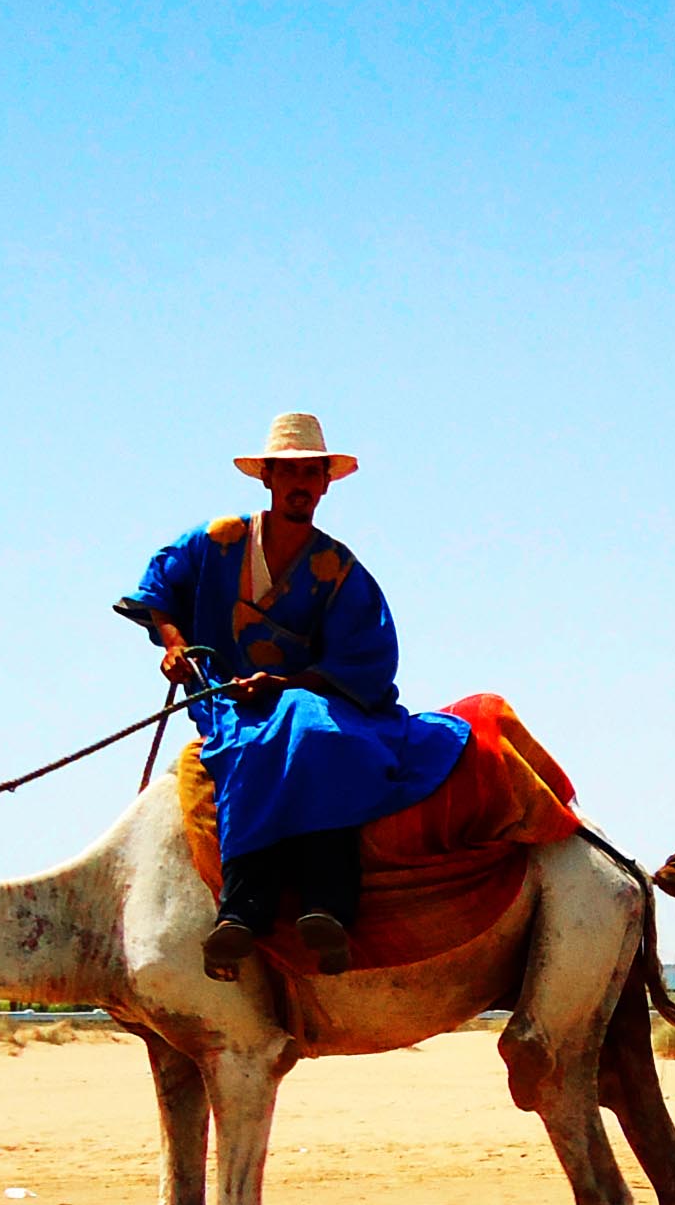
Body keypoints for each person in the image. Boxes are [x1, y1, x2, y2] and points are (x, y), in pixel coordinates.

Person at [118, 413, 470, 980]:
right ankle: (242, 910)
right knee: (250, 741)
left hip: (312, 696)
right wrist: (174, 644)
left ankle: (328, 907)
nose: (301, 485)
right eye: (290, 473)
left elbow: (367, 657)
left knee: (314, 731)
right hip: (229, 697)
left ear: (326, 483)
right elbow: (160, 589)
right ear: (269, 479)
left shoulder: (338, 567)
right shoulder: (218, 540)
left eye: (311, 474)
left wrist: (290, 683)